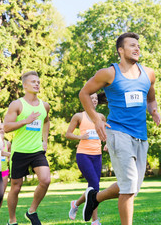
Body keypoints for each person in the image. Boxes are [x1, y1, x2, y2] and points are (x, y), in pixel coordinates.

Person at [79, 32, 161, 225]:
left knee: (131, 186)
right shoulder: (109, 73)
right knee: (129, 188)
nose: (137, 48)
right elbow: (84, 93)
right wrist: (96, 119)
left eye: (138, 46)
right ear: (121, 50)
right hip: (117, 132)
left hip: (141, 135)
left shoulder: (148, 74)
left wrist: (154, 110)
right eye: (132, 45)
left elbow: (150, 99)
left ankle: (95, 198)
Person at [4, 71, 51, 225]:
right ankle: (12, 220)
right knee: (16, 187)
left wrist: (45, 140)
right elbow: (6, 127)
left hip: (37, 150)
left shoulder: (44, 106)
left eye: (38, 81)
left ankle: (31, 211)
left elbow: (46, 122)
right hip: (19, 151)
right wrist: (25, 120)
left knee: (45, 180)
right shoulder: (17, 104)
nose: (37, 84)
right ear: (24, 85)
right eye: (33, 81)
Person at [66, 93, 106, 225]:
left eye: (95, 99)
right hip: (83, 154)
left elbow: (105, 134)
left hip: (97, 155)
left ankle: (75, 204)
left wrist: (108, 145)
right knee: (95, 185)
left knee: (92, 188)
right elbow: (68, 134)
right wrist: (80, 137)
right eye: (91, 98)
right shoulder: (79, 116)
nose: (94, 100)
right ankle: (95, 220)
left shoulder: (101, 117)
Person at [0, 123, 11, 222]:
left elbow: (11, 156)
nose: (2, 130)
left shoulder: (8, 143)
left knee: (0, 196)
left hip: (4, 171)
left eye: (3, 129)